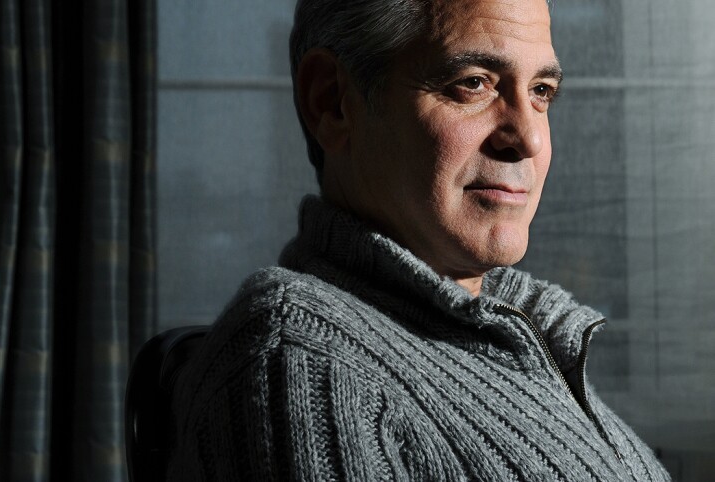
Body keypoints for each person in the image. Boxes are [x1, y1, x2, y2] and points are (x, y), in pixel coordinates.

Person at [168, 0, 671, 480]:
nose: (529, 139)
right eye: (474, 83)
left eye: (541, 92)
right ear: (331, 102)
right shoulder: (300, 362)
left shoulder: (520, 333)